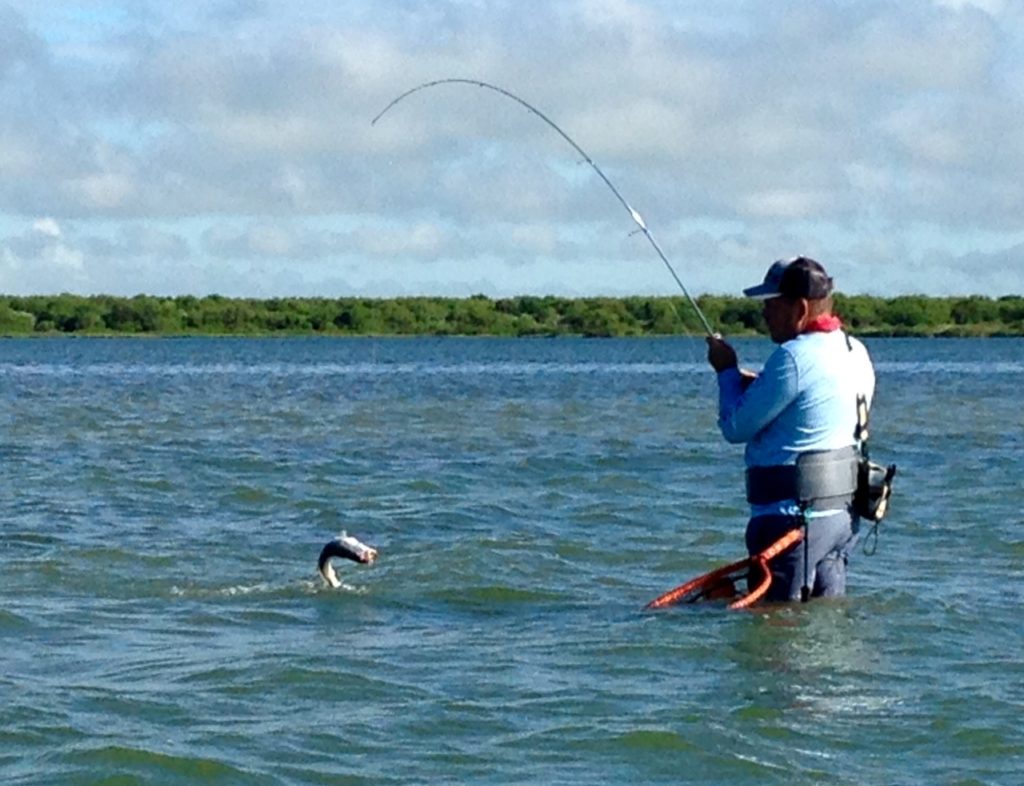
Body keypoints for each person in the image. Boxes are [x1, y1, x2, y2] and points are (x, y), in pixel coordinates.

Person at [706, 257, 875, 601]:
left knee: (776, 633)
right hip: (840, 520)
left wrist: (726, 372)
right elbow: (813, 407)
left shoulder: (794, 357)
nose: (764, 313)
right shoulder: (854, 350)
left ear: (799, 308)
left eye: (771, 304)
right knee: (821, 627)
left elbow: (735, 427)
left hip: (790, 522)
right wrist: (755, 385)